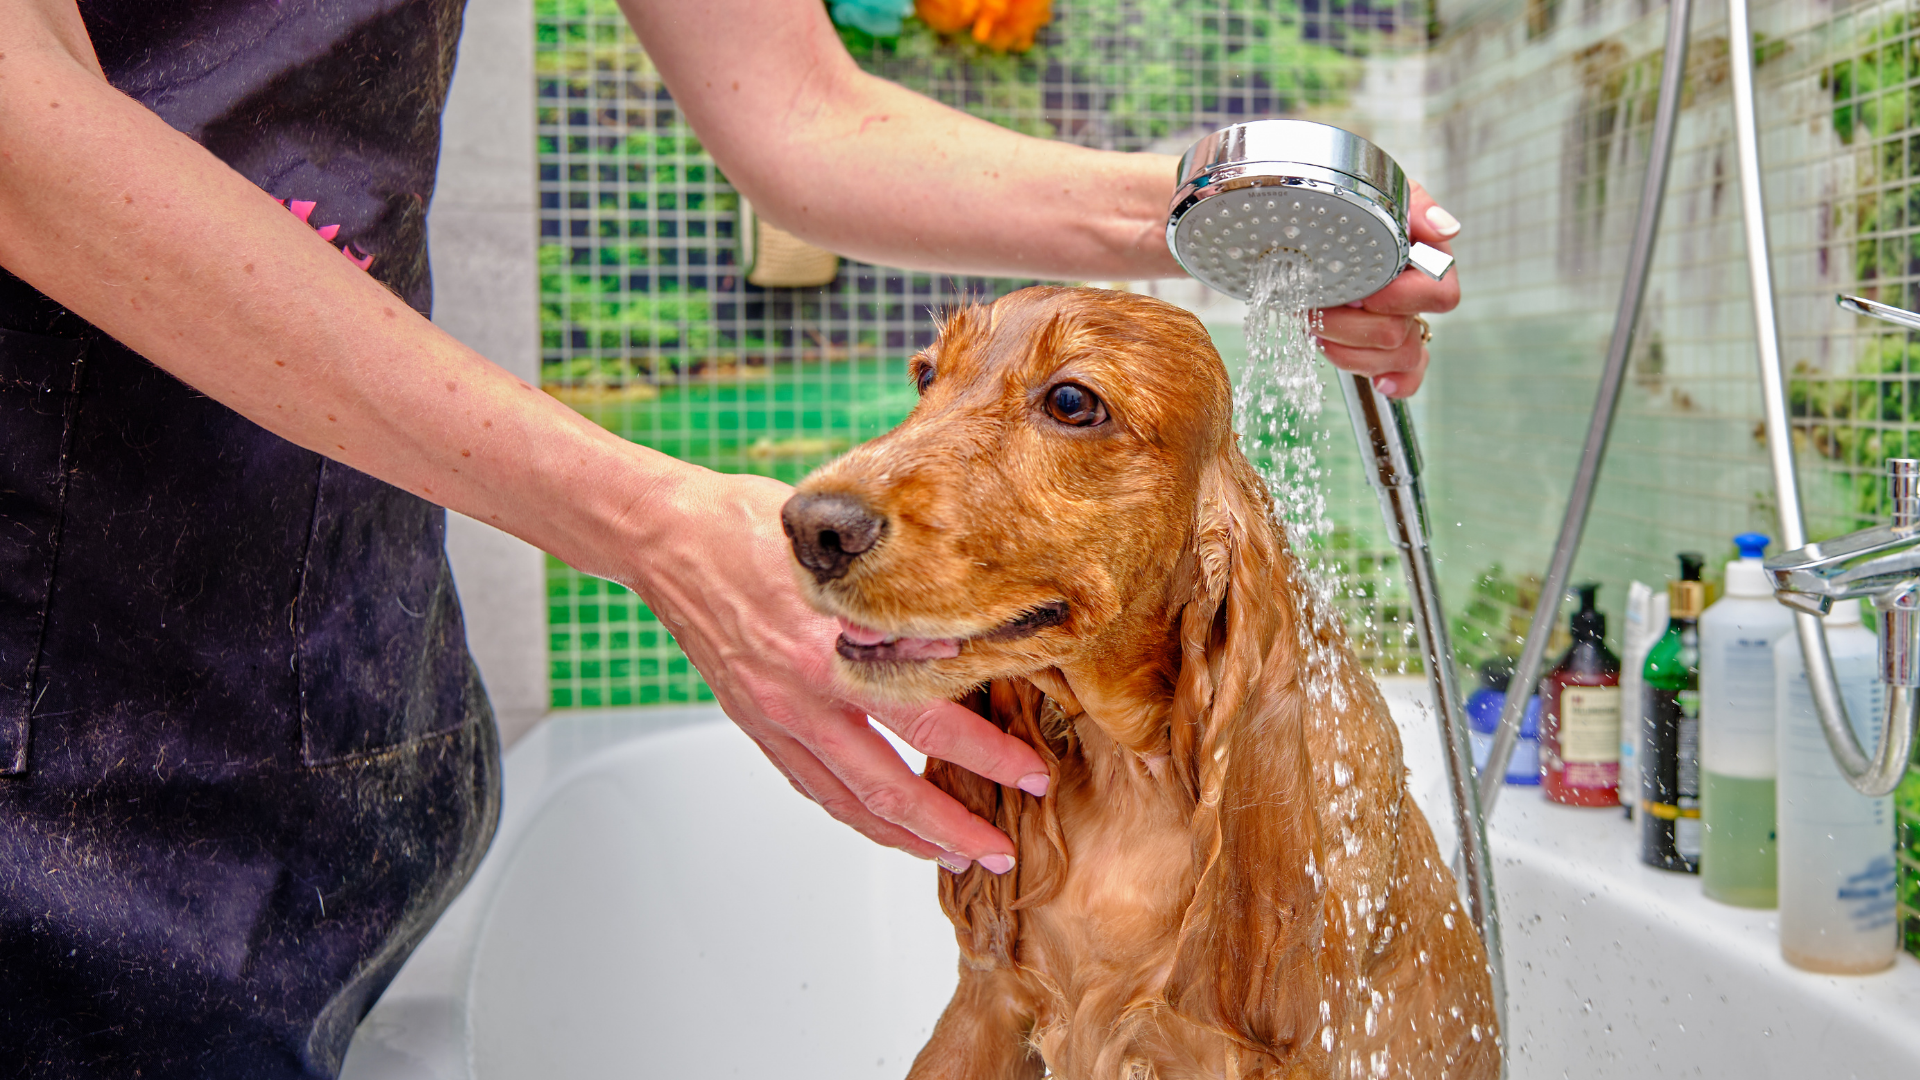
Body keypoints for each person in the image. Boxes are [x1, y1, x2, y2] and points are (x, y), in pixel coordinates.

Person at [0, 0, 1461, 1075]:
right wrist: (646, 519)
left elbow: (802, 115)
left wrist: (1213, 208)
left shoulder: (1242, 768)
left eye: (1067, 408)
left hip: (327, 640)